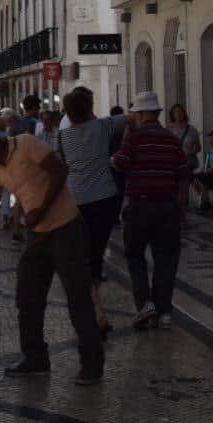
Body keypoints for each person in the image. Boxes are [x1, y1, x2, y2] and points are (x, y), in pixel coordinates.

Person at [0, 115, 103, 385]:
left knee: (78, 298)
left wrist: (41, 209)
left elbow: (60, 170)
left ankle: (92, 364)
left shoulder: (26, 144)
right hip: (37, 236)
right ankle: (36, 357)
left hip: (66, 228)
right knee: (27, 297)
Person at [112, 91, 192, 330]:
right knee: (166, 259)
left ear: (139, 114)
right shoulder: (171, 139)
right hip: (167, 206)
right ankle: (164, 312)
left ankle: (145, 304)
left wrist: (125, 139)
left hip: (140, 206)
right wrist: (182, 207)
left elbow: (119, 162)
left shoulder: (134, 138)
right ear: (157, 113)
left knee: (134, 255)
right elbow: (184, 174)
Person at [56, 86, 128, 336]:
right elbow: (133, 118)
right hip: (106, 198)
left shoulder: (62, 136)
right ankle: (98, 311)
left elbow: (61, 167)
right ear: (89, 108)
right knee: (95, 253)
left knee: (83, 255)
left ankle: (97, 312)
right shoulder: (103, 126)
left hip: (77, 200)